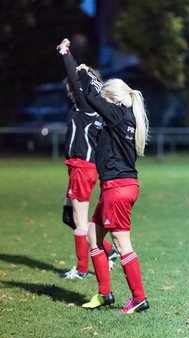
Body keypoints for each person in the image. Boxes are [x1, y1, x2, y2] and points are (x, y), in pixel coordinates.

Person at [74, 63, 150, 313]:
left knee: (122, 243)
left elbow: (93, 97)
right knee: (93, 236)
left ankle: (139, 298)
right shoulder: (125, 117)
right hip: (119, 186)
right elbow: (96, 97)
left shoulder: (118, 115)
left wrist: (84, 74)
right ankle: (104, 294)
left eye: (106, 101)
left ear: (113, 101)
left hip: (117, 188)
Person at [56, 39, 118, 279]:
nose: (70, 88)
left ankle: (82, 270)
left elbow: (74, 77)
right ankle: (109, 251)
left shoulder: (87, 105)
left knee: (80, 222)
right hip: (78, 168)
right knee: (68, 215)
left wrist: (66, 53)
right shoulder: (84, 108)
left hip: (83, 168)